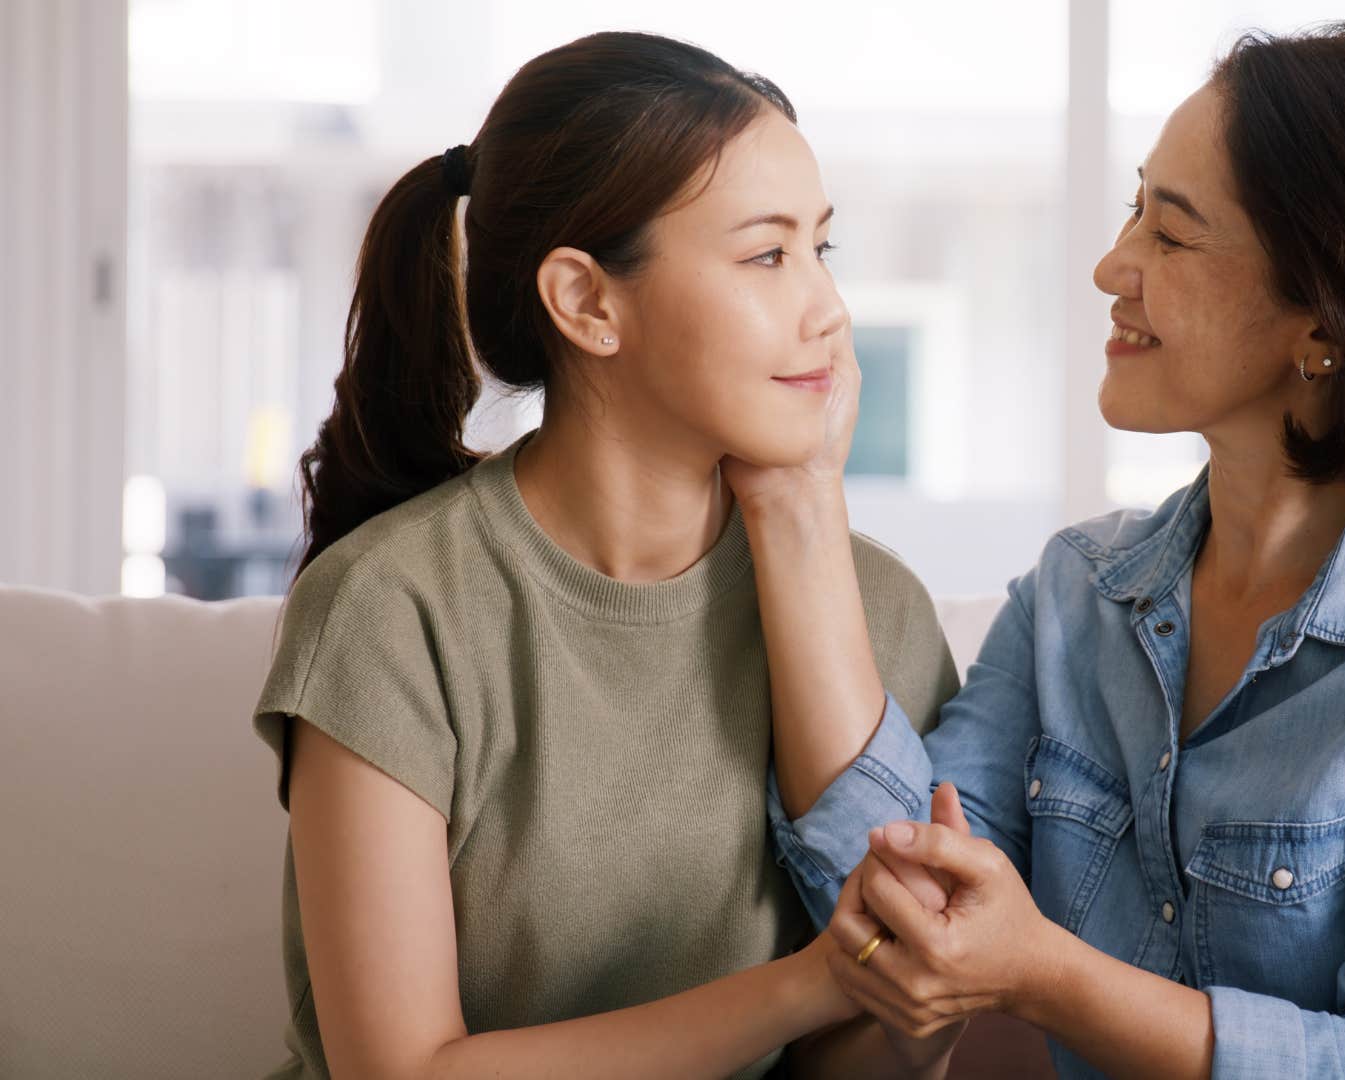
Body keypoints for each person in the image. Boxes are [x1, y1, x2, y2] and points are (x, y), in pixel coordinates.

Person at [757, 21, 1345, 1080]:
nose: (1109, 265)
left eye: (1170, 236)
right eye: (1134, 207)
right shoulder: (1075, 596)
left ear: (1327, 321)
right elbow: (904, 901)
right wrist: (797, 492)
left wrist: (1042, 973)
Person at [250, 31, 958, 1079]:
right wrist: (812, 982)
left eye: (822, 248)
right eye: (767, 255)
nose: (830, 310)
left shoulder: (877, 612)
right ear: (586, 301)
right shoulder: (392, 612)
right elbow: (402, 1072)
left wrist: (802, 507)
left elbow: (905, 1035)